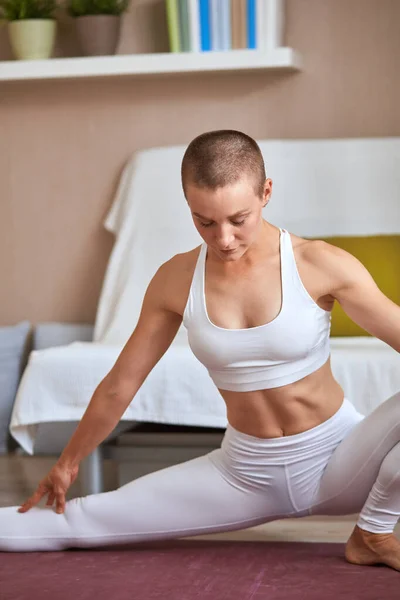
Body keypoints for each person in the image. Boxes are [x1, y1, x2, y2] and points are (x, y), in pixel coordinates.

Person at [1, 130, 399, 570]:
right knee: (73, 523)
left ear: (266, 192)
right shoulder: (175, 279)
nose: (224, 238)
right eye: (205, 221)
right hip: (243, 473)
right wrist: (67, 462)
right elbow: (121, 384)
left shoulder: (321, 263)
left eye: (238, 218)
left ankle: (373, 533)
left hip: (341, 459)